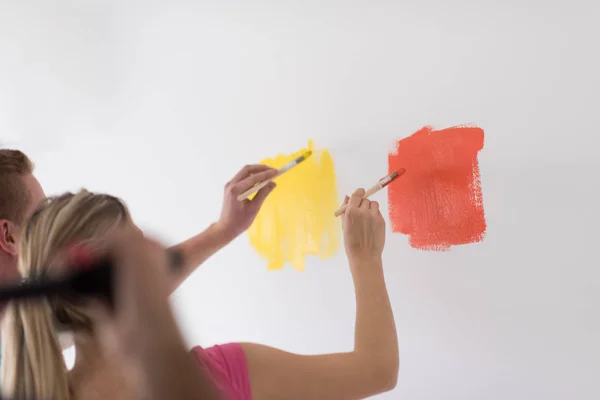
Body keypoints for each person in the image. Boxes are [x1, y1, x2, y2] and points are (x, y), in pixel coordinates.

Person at [2, 186, 398, 399]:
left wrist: (222, 230)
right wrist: (365, 257)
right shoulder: (221, 374)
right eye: (141, 246)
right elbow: (376, 371)